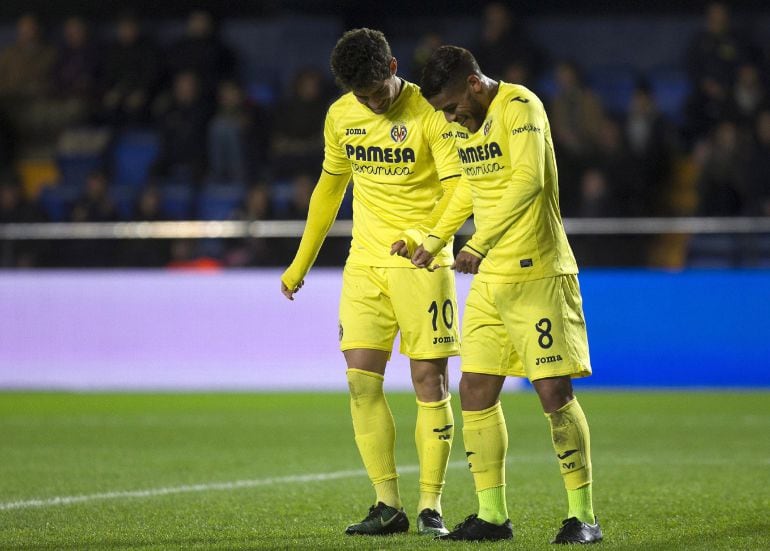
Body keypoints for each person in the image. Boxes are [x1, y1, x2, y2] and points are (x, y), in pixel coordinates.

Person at [410, 45, 602, 544]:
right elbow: (469, 190)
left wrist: (480, 241)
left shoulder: (521, 107)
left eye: (452, 106)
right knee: (474, 390)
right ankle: (492, 515)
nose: (451, 118)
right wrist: (431, 241)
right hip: (492, 279)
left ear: (474, 83)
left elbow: (530, 181)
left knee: (553, 393)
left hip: (539, 273)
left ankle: (583, 516)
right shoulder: (461, 124)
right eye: (443, 113)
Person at [280, 28, 462, 537]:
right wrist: (301, 264)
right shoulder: (341, 116)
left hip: (424, 262)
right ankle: (388, 504)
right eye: (361, 96)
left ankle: (431, 505)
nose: (372, 104)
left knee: (429, 382)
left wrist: (422, 236)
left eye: (377, 92)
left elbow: (456, 190)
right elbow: (328, 190)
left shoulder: (431, 112)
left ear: (393, 67)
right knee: (361, 381)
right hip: (365, 264)